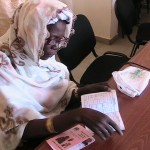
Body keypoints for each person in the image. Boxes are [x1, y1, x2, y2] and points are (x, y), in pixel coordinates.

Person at [0, 0, 123, 149]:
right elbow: (12, 129)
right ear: (30, 32)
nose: (56, 46)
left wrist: (80, 92)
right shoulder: (4, 68)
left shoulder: (33, 50)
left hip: (56, 120)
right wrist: (76, 116)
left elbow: (53, 88)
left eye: (60, 38)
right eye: (48, 38)